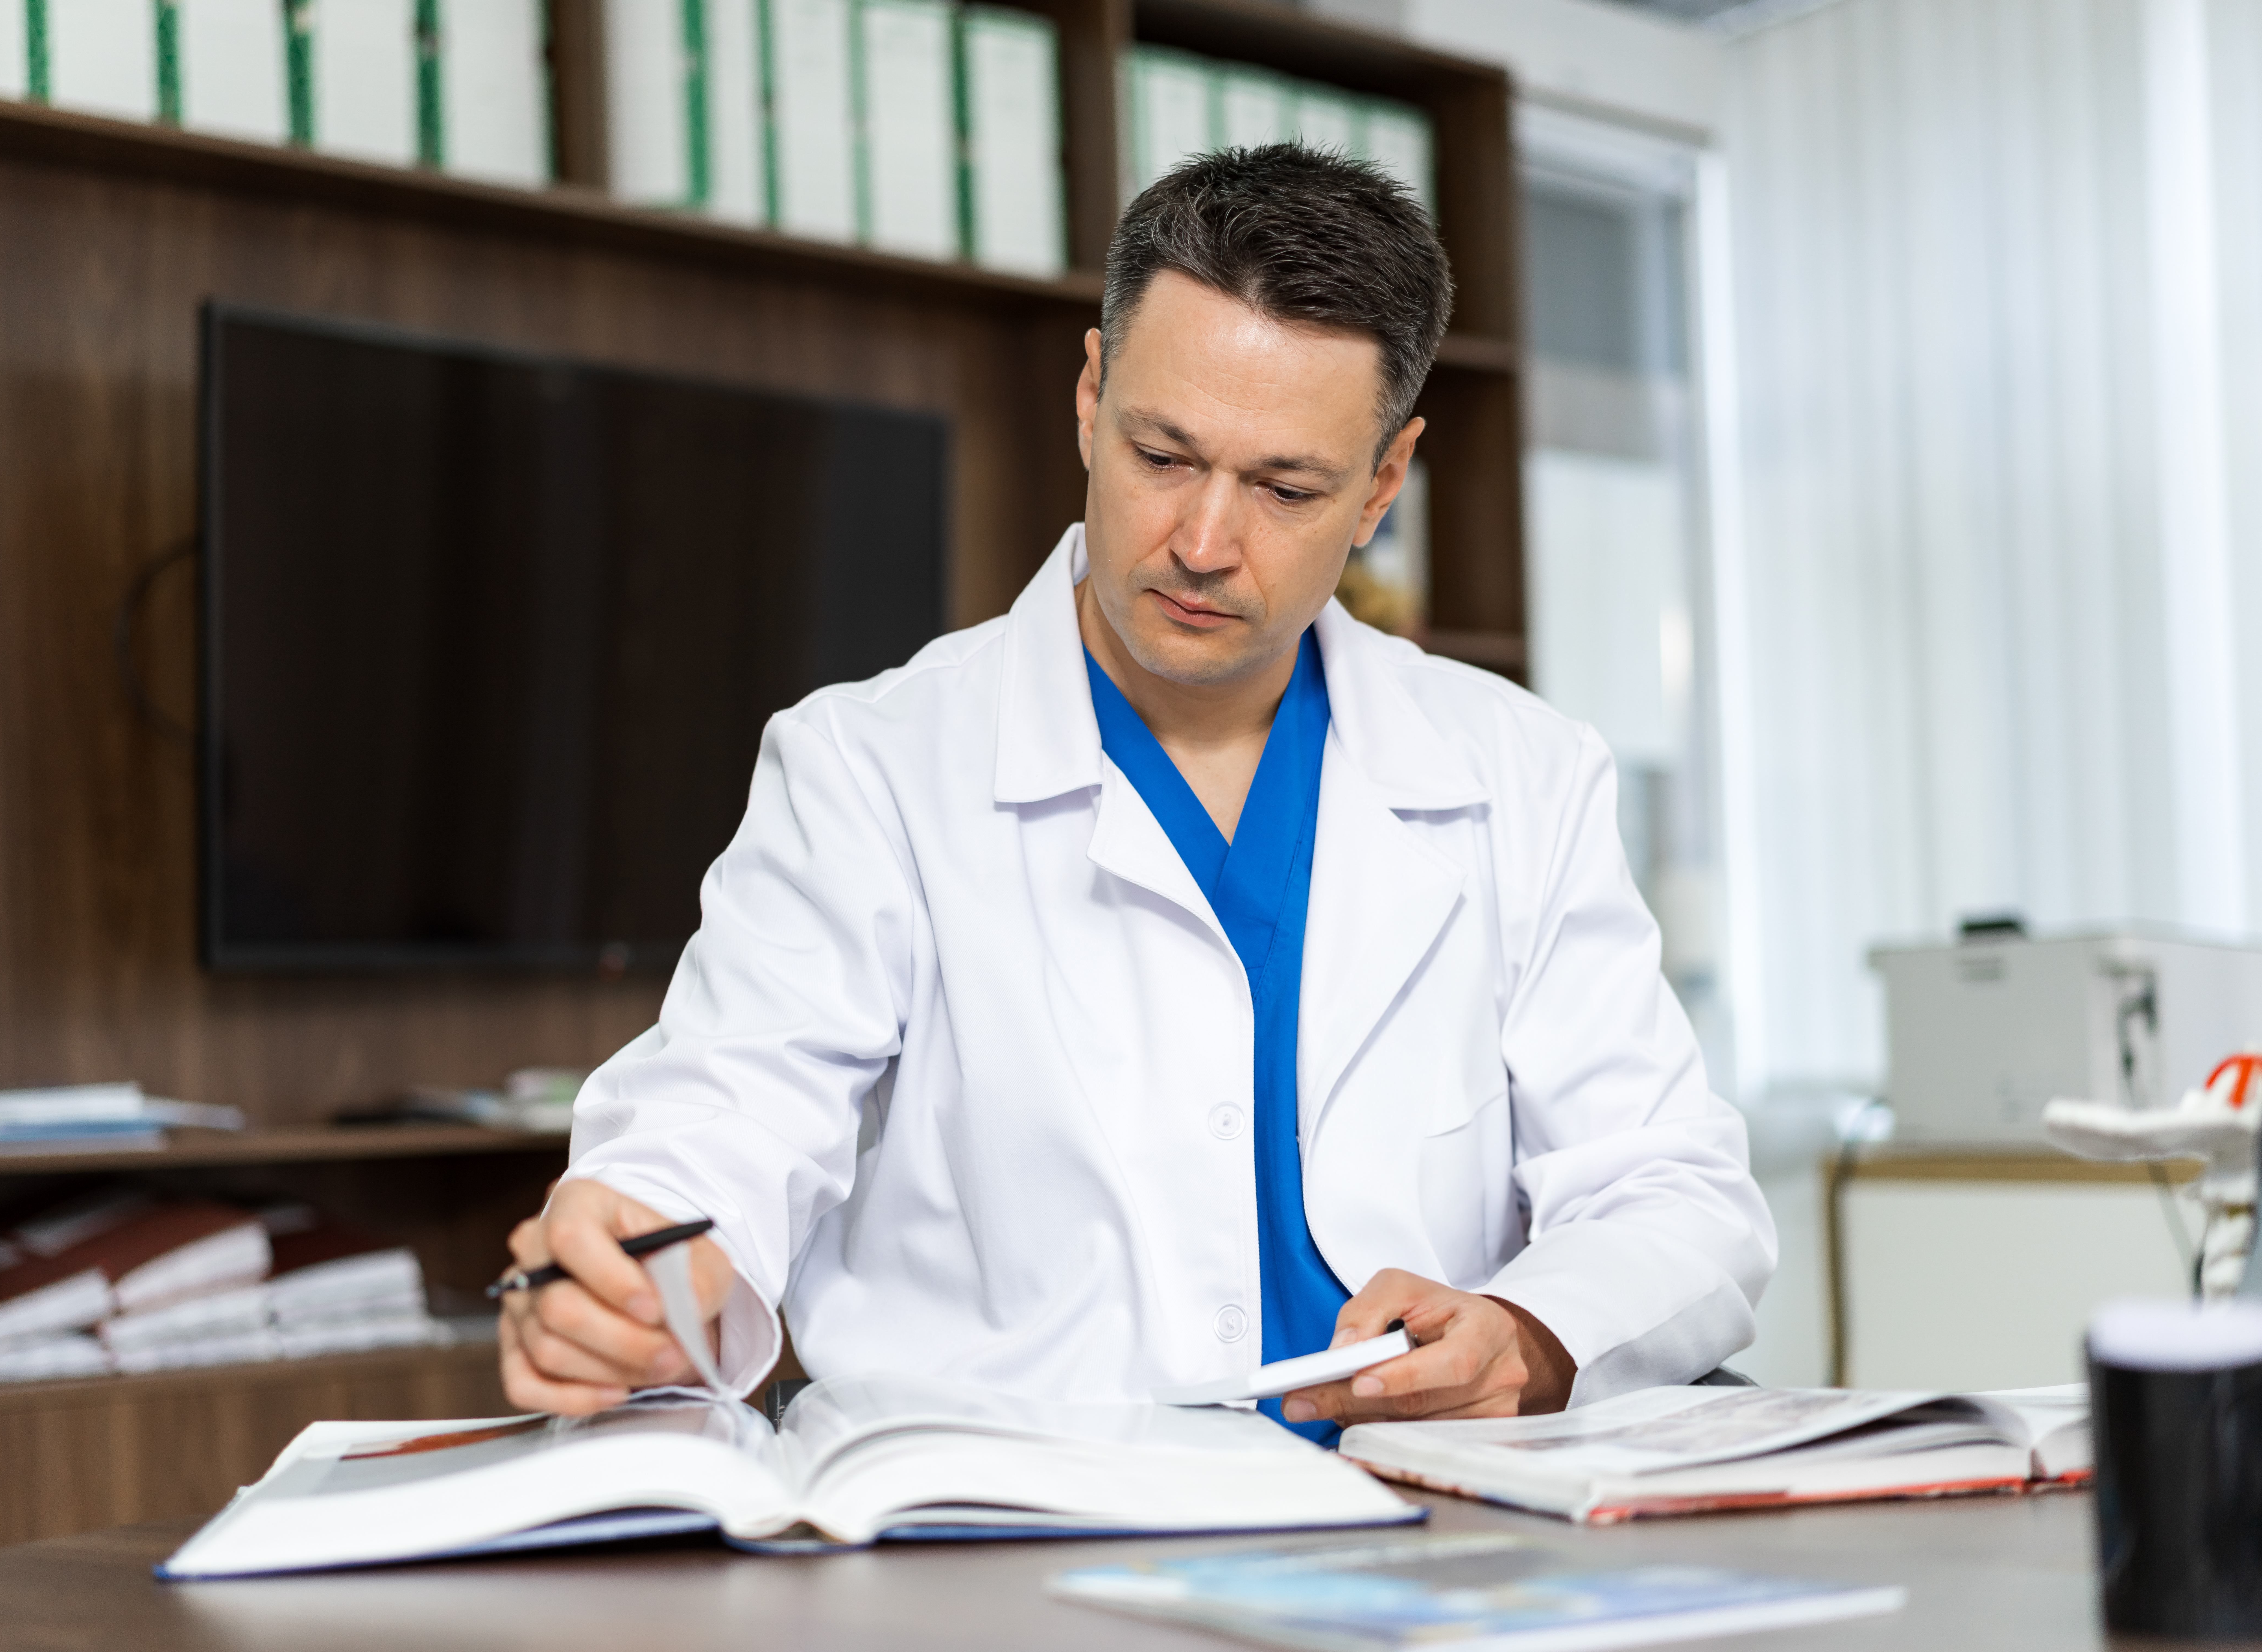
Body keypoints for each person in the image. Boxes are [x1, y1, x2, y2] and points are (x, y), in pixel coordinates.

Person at [498, 145, 1774, 1441]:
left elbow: (1675, 1193)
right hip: (996, 1543)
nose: (1205, 545)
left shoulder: (1520, 775)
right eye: (1163, 455)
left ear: (1384, 482)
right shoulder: (868, 768)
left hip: (1412, 1538)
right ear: (1091, 393)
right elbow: (726, 1112)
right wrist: (644, 1266)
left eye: (1286, 488)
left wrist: (1531, 1336)